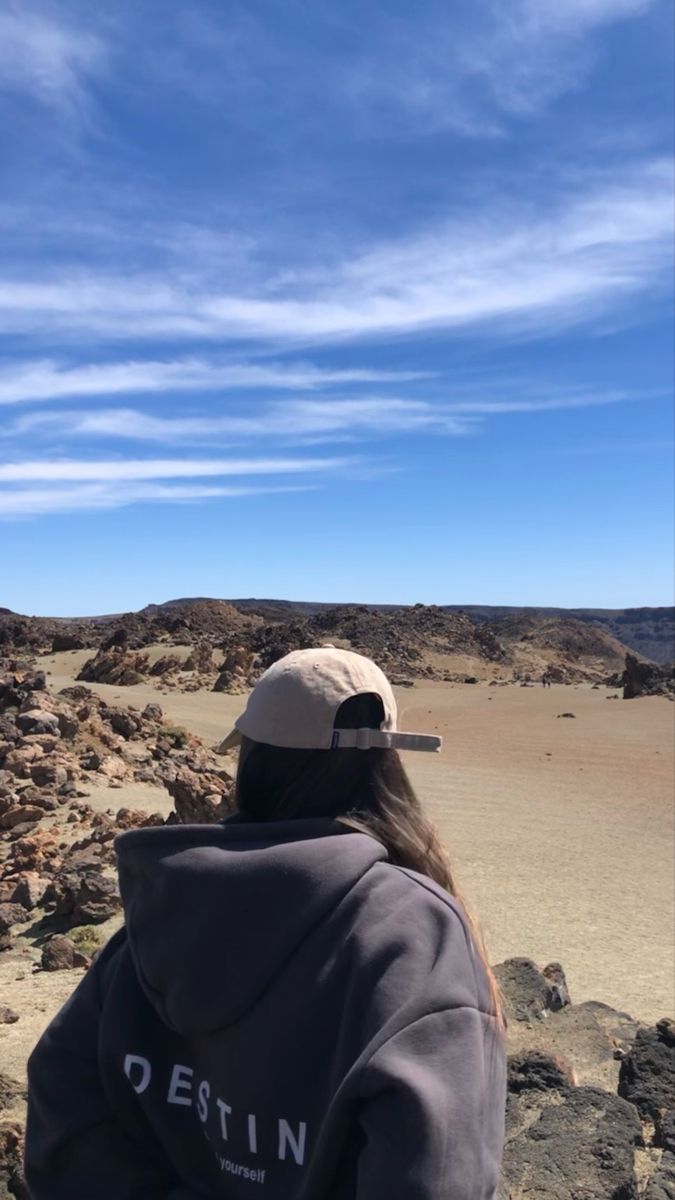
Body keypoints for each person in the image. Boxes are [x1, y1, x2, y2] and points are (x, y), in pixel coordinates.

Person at [25, 646, 506, 1199]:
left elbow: (63, 1104)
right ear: (386, 762)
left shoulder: (162, 911)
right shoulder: (418, 936)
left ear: (250, 759)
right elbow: (436, 1175)